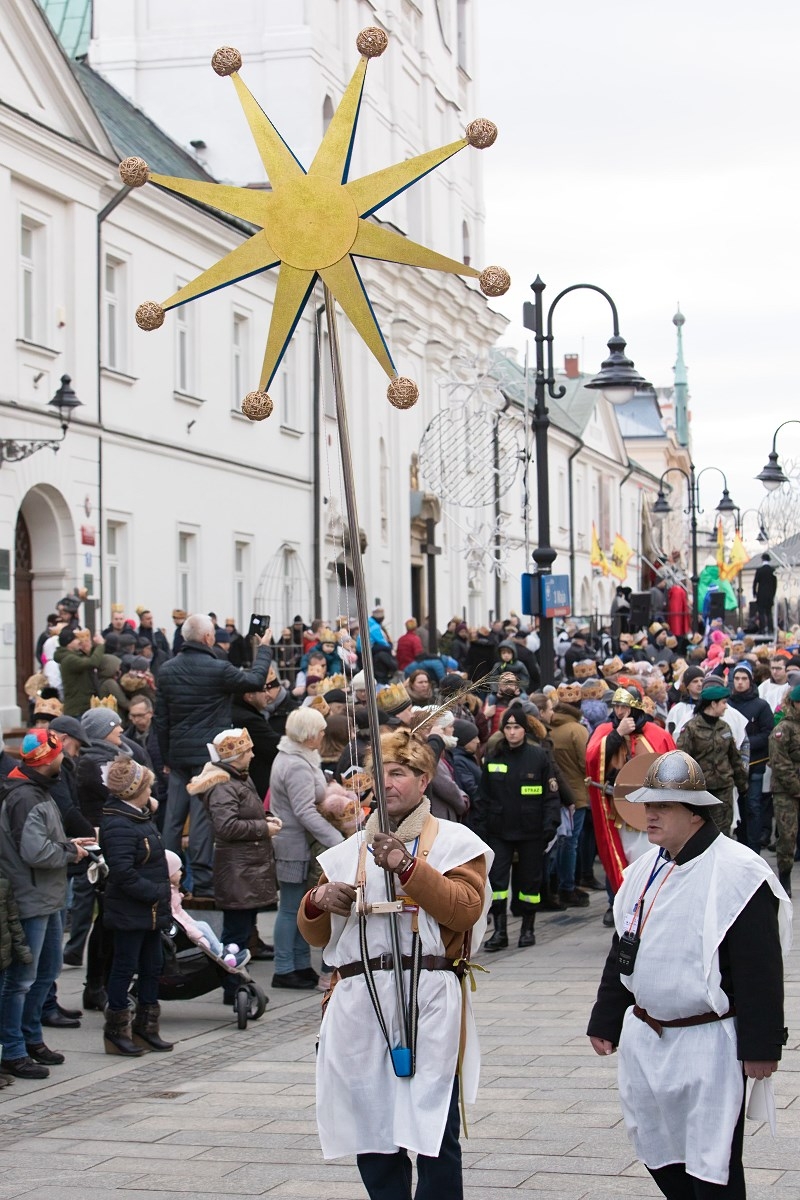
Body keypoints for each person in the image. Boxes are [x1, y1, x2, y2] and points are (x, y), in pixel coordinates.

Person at [297, 726, 492, 1198]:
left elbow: (465, 909)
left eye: (399, 772)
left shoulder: (455, 842)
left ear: (425, 780)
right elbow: (316, 932)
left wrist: (408, 867)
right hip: (360, 1000)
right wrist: (319, 899)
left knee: (432, 1130)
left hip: (428, 995)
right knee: (373, 1129)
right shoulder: (345, 852)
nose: (386, 783)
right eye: (378, 773)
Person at [587, 749, 790, 1198]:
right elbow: (625, 944)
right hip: (646, 1039)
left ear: (695, 814)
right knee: (659, 1151)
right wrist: (606, 1017)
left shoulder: (739, 873)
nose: (649, 814)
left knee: (712, 1165)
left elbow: (760, 968)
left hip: (709, 1045)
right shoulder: (644, 869)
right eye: (648, 803)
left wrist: (762, 1045)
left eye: (663, 806)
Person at [154, 613, 274, 898]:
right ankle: (203, 881)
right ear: (208, 638)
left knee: (172, 820)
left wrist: (167, 758)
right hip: (207, 755)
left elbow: (161, 719)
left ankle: (169, 875)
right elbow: (256, 680)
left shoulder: (167, 670)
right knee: (201, 820)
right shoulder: (217, 668)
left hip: (179, 754)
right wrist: (265, 647)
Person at [0, 730, 91, 1079]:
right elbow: (34, 852)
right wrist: (72, 851)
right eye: (58, 754)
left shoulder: (38, 790)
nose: (63, 758)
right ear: (47, 759)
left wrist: (68, 841)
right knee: (20, 980)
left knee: (45, 972)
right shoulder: (26, 796)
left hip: (46, 896)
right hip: (30, 899)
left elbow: (41, 840)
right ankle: (13, 1049)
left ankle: (30, 1038)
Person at [187, 729, 278, 1001]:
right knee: (235, 934)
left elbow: (243, 815)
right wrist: (264, 828)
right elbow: (226, 826)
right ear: (236, 755)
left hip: (246, 868)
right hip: (238, 870)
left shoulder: (238, 778)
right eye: (248, 750)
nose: (252, 754)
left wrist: (267, 819)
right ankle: (232, 987)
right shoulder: (224, 785)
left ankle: (239, 983)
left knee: (243, 930)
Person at [99, 756, 172, 1056]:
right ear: (135, 790)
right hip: (132, 909)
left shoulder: (138, 816)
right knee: (124, 968)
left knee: (152, 966)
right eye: (147, 787)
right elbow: (122, 872)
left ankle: (146, 1026)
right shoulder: (118, 823)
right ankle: (117, 1030)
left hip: (151, 910)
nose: (151, 792)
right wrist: (154, 892)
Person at [472, 708, 560, 951]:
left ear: (525, 729)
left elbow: (551, 796)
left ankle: (528, 929)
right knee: (498, 884)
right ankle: (500, 932)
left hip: (531, 832)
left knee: (530, 883)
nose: (512, 732)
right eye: (508, 728)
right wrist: (481, 828)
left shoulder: (538, 756)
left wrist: (550, 825)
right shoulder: (494, 756)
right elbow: (483, 796)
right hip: (499, 831)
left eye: (516, 727)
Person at [268, 708, 343, 988]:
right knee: (290, 907)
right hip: (293, 844)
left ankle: (300, 964)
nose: (324, 734)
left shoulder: (300, 756)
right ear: (309, 734)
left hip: (299, 842)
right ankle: (284, 968)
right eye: (320, 730)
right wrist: (335, 838)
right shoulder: (295, 764)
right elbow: (304, 811)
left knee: (301, 905)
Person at [586, 686, 676, 897]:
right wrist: (617, 735)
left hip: (653, 812)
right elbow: (592, 760)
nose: (619, 711)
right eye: (616, 706)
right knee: (624, 862)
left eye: (624, 707)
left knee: (654, 861)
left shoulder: (657, 734)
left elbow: (673, 769)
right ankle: (619, 903)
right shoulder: (605, 731)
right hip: (620, 812)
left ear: (635, 708)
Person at [676, 677, 749, 838]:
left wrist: (742, 784)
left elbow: (734, 758)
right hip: (701, 789)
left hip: (724, 787)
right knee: (700, 832)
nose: (725, 707)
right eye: (723, 703)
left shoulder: (724, 727)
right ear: (713, 704)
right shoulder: (691, 728)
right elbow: (682, 759)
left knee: (723, 832)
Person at [164, 850, 249, 965]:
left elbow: (181, 913)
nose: (181, 873)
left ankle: (220, 950)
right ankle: (221, 956)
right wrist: (198, 937)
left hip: (182, 926)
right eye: (177, 870)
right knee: (201, 928)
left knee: (202, 925)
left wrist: (193, 924)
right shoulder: (167, 894)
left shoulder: (173, 890)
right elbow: (175, 917)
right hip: (176, 931)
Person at [727, 663, 774, 852]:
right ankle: (741, 845)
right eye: (737, 678)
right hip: (732, 766)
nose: (740, 682)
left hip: (754, 764)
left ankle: (754, 849)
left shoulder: (761, 705)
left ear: (750, 681)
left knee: (753, 806)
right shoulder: (727, 704)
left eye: (744, 679)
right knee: (736, 807)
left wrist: (744, 742)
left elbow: (767, 733)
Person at [768, 683, 800, 895]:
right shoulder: (783, 728)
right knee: (787, 836)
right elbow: (779, 763)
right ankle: (785, 877)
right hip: (787, 791)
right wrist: (796, 787)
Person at [53, 628, 106, 717]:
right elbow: (92, 662)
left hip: (81, 708)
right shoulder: (70, 659)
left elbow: (88, 660)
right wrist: (100, 645)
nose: (79, 641)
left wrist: (91, 649)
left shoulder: (72, 656)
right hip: (78, 710)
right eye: (76, 639)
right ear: (69, 643)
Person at [753, 553, 777, 634]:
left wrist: (754, 593)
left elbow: (755, 582)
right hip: (770, 595)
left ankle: (762, 629)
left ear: (762, 559)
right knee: (769, 613)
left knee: (761, 613)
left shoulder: (759, 570)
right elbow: (775, 584)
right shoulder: (772, 570)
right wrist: (773, 594)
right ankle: (771, 629)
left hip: (761, 595)